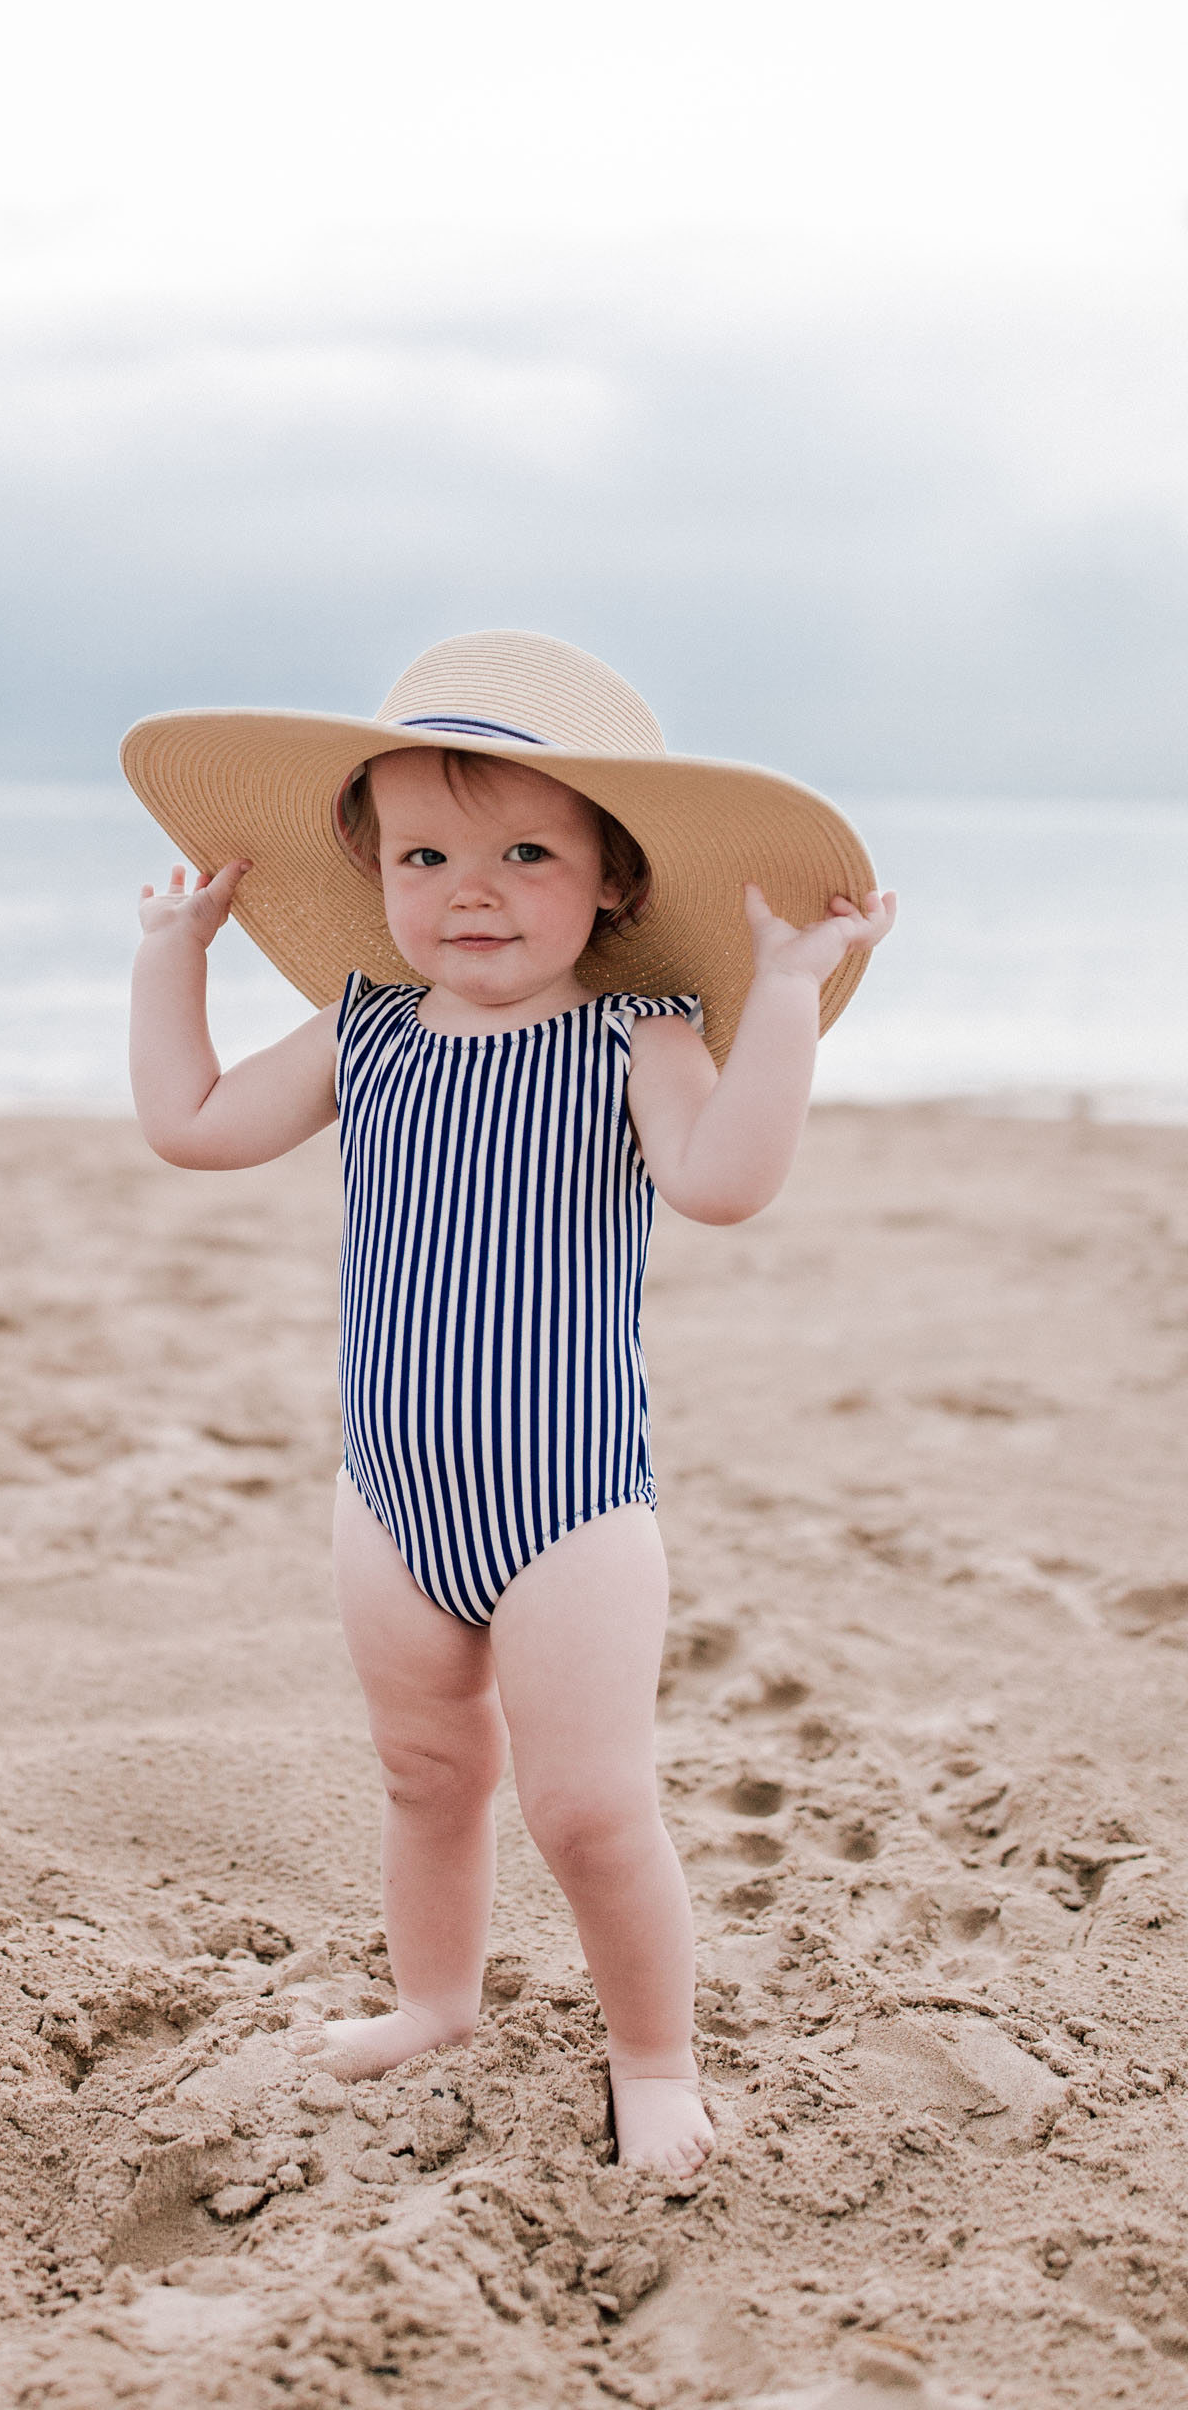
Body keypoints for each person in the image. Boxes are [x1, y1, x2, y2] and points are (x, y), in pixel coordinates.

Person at [122, 631, 894, 2175]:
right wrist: (171, 960)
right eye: (426, 853)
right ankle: (433, 2000)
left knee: (592, 1809)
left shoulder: (639, 1037)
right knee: (426, 1774)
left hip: (571, 1504)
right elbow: (194, 1128)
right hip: (390, 1489)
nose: (469, 890)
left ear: (613, 878)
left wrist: (787, 1004)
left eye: (524, 851)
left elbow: (726, 1185)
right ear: (371, 867)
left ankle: (656, 2058)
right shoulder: (363, 1029)